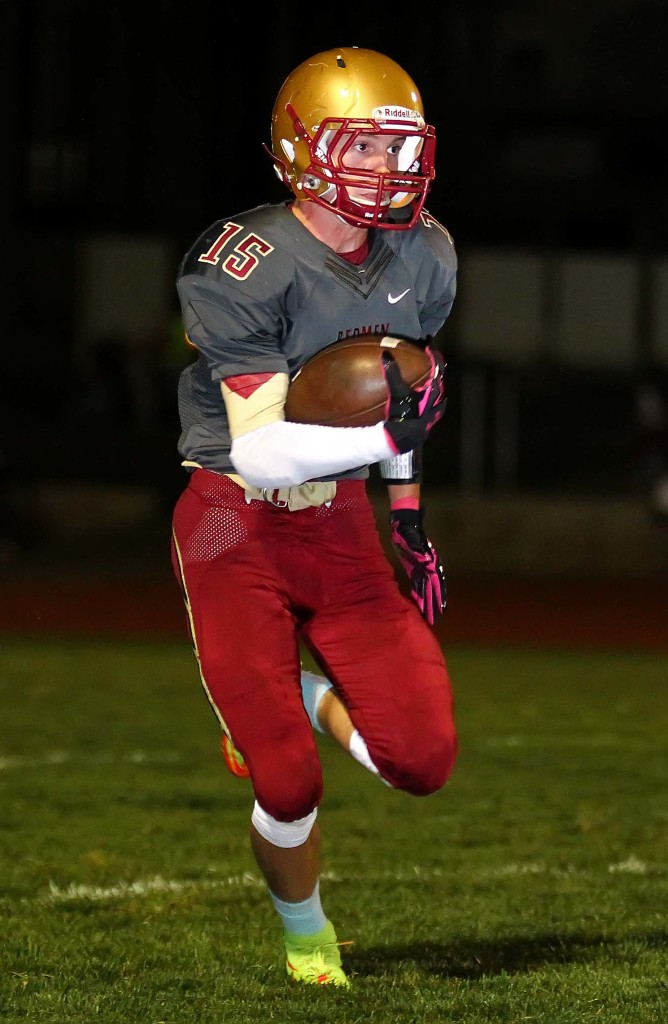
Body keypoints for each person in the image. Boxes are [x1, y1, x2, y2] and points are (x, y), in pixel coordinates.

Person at [171, 45, 458, 989]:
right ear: (300, 150)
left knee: (420, 760)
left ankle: (296, 693)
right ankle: (306, 931)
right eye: (363, 148)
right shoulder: (242, 262)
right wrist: (387, 447)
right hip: (231, 518)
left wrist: (407, 516)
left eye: (400, 148)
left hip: (335, 522)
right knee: (287, 780)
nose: (390, 170)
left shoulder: (425, 254)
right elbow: (257, 450)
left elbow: (396, 400)